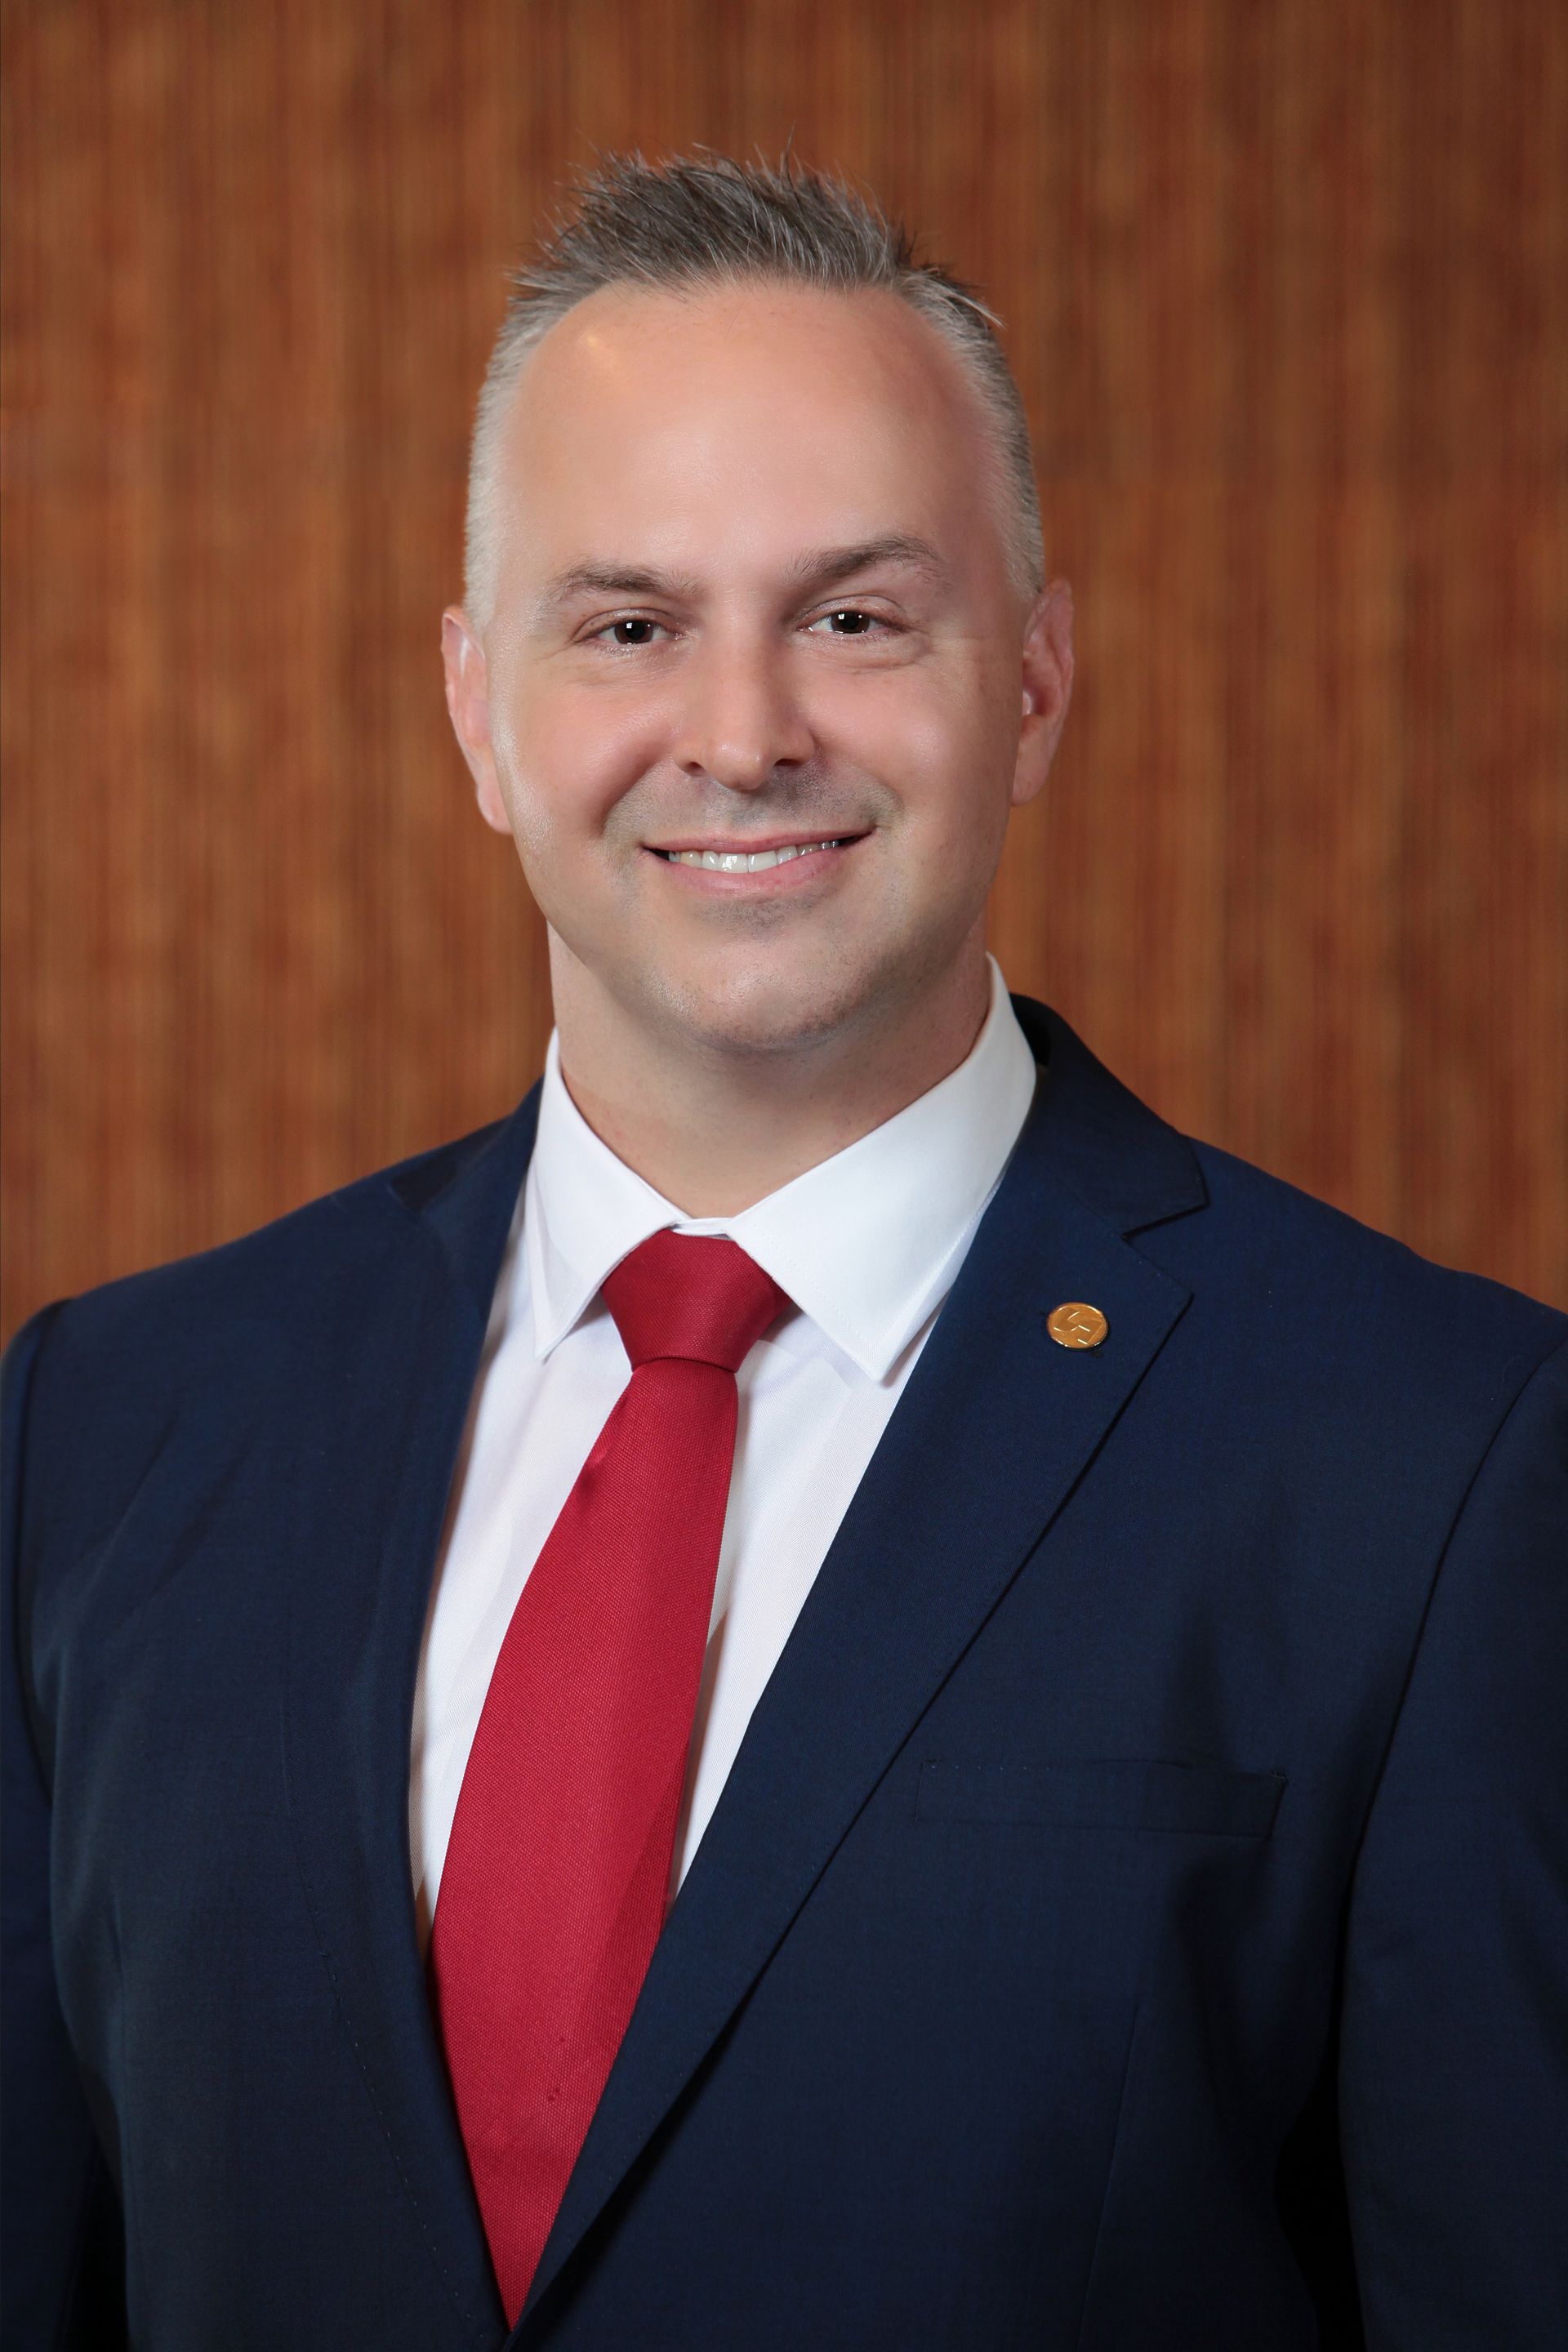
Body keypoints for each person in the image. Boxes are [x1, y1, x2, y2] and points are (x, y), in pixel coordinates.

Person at [3, 152, 1564, 2352]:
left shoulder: (1441, 1464)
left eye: (855, 616)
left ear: (1030, 681)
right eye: (629, 624)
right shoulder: (110, 1424)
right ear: (477, 709)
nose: (742, 735)